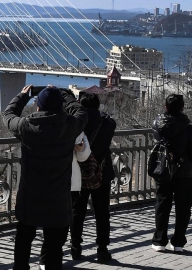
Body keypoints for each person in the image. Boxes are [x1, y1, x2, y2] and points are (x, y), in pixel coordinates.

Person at [4, 85, 87, 270]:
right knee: (54, 249)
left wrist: (23, 95)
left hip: (30, 196)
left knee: (24, 241)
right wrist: (66, 95)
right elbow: (81, 111)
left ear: (38, 107)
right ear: (60, 106)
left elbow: (8, 115)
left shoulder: (26, 126)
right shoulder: (70, 126)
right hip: (58, 198)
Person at [150, 94, 192, 253]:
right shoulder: (188, 128)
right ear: (182, 107)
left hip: (163, 170)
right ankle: (178, 242)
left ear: (165, 107)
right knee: (183, 208)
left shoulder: (157, 125)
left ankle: (159, 240)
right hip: (184, 173)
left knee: (162, 205)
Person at [70, 93, 116, 262]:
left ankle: (75, 248)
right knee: (102, 213)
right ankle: (102, 250)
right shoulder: (107, 123)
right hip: (101, 173)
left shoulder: (76, 123)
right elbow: (111, 122)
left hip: (79, 173)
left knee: (77, 212)